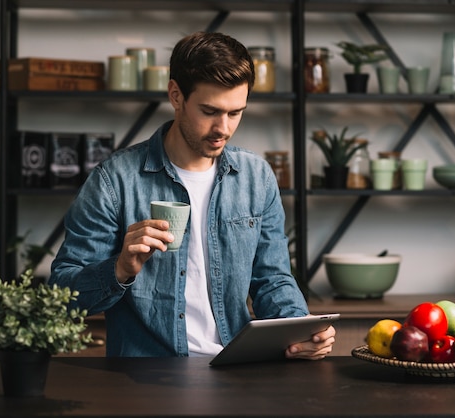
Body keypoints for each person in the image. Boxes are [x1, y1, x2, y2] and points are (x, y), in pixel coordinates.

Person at [49, 31, 336, 359]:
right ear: (176, 95)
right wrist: (120, 269)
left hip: (235, 370)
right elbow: (61, 295)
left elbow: (272, 279)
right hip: (146, 377)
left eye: (235, 113)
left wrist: (300, 328)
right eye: (210, 111)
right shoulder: (114, 181)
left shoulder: (256, 177)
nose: (223, 129)